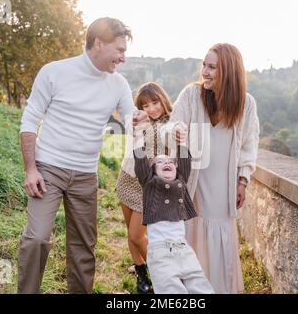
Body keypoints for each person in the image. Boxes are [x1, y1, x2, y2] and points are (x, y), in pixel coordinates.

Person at [17, 17, 147, 294]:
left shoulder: (118, 84)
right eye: (120, 50)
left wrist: (137, 119)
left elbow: (128, 115)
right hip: (48, 168)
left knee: (83, 248)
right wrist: (31, 169)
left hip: (86, 175)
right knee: (37, 238)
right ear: (98, 43)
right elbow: (29, 121)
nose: (123, 58)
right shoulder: (54, 72)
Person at [167, 43, 260, 293]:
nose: (204, 72)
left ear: (228, 71)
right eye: (204, 65)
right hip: (193, 181)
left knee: (219, 237)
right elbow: (172, 125)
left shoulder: (246, 104)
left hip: (223, 185)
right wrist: (176, 131)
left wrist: (243, 180)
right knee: (191, 235)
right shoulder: (191, 95)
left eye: (212, 67)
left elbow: (249, 145)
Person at [132, 121, 214, 294]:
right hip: (160, 252)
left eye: (170, 161)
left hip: (184, 249)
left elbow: (184, 161)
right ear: (153, 171)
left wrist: (181, 141)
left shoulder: (181, 181)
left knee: (202, 289)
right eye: (160, 162)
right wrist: (139, 136)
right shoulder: (149, 184)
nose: (167, 162)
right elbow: (140, 161)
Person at [115, 82, 173, 293]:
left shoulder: (170, 125)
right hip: (126, 178)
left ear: (163, 100)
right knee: (130, 232)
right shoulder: (139, 121)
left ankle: (163, 275)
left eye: (155, 102)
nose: (151, 109)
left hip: (147, 188)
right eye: (145, 105)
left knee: (136, 236)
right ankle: (141, 272)